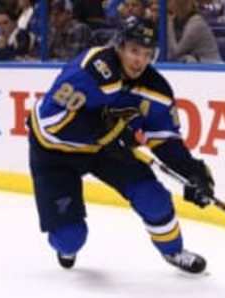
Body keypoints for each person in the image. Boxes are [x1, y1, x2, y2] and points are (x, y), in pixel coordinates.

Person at [27, 16, 215, 274]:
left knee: (154, 198)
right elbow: (52, 123)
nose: (139, 60)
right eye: (134, 51)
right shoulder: (91, 69)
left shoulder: (156, 89)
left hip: (106, 149)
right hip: (55, 151)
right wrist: (109, 133)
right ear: (120, 46)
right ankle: (65, 247)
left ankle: (173, 251)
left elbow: (164, 138)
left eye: (147, 54)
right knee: (71, 238)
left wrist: (191, 171)